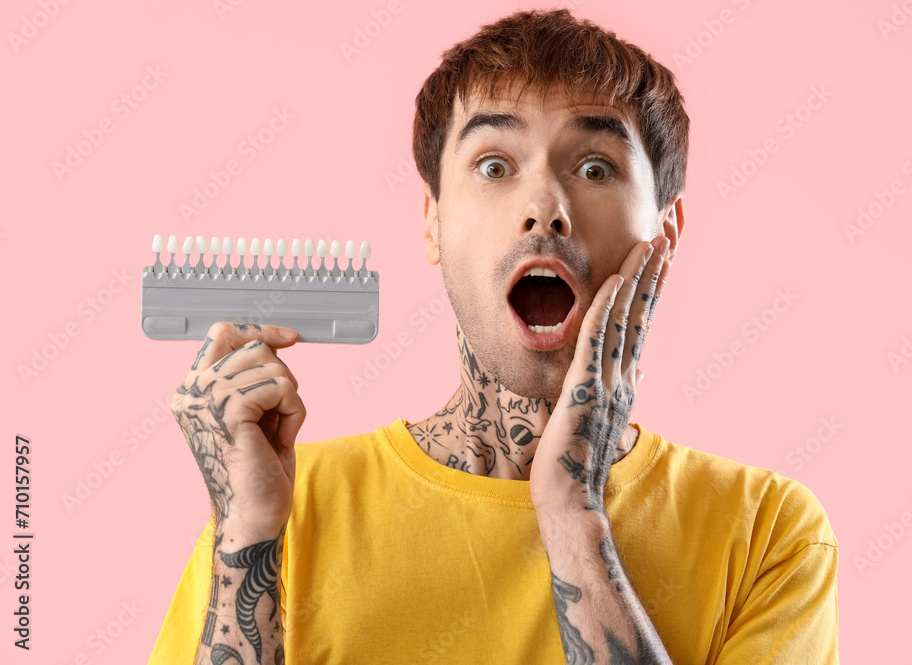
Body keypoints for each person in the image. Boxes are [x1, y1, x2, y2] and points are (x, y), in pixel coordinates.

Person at [148, 8, 839, 665]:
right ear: (433, 222)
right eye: (495, 166)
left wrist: (573, 512)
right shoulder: (287, 501)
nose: (545, 209)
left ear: (666, 231)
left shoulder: (769, 531)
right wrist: (247, 535)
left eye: (595, 167)